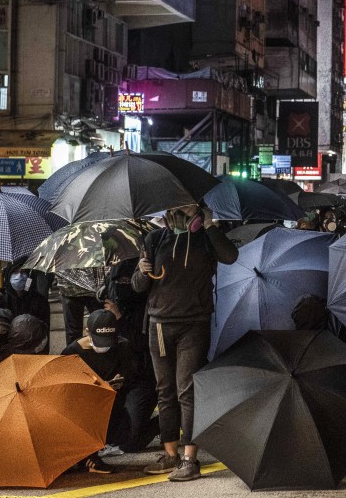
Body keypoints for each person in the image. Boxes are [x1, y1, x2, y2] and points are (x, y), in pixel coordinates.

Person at [131, 204, 238, 482]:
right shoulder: (155, 239)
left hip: (194, 324)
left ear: (199, 209)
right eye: (176, 205)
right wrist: (142, 271)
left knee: (186, 391)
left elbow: (230, 256)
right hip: (159, 325)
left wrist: (211, 225)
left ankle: (191, 459)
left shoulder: (206, 238)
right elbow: (138, 286)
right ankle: (170, 455)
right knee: (165, 390)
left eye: (188, 204)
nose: (181, 209)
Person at [62, 309, 138, 474]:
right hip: (82, 406)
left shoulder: (123, 347)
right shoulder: (72, 353)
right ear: (87, 332)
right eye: (99, 340)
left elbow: (132, 375)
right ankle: (87, 456)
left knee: (130, 436)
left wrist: (121, 381)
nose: (104, 346)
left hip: (112, 403)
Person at [99, 258, 160, 454]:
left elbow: (142, 344)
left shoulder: (147, 306)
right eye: (118, 282)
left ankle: (170, 419)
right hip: (119, 378)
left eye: (126, 282)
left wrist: (120, 319)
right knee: (109, 436)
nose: (121, 286)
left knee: (130, 442)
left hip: (144, 376)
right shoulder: (111, 300)